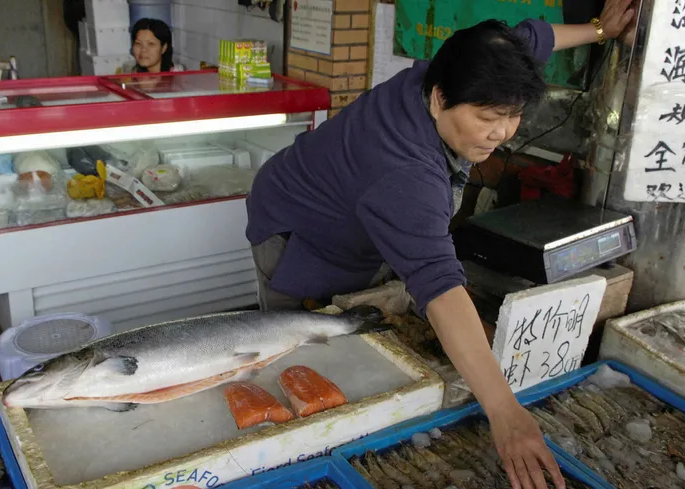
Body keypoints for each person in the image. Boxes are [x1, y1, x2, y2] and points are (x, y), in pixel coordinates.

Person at [245, 1, 635, 488]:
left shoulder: (470, 65)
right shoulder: (407, 173)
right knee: (295, 353)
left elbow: (531, 37)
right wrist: (505, 412)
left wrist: (601, 28)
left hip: (349, 203)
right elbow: (440, 285)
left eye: (513, 115)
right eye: (488, 117)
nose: (501, 133)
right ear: (438, 98)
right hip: (296, 228)